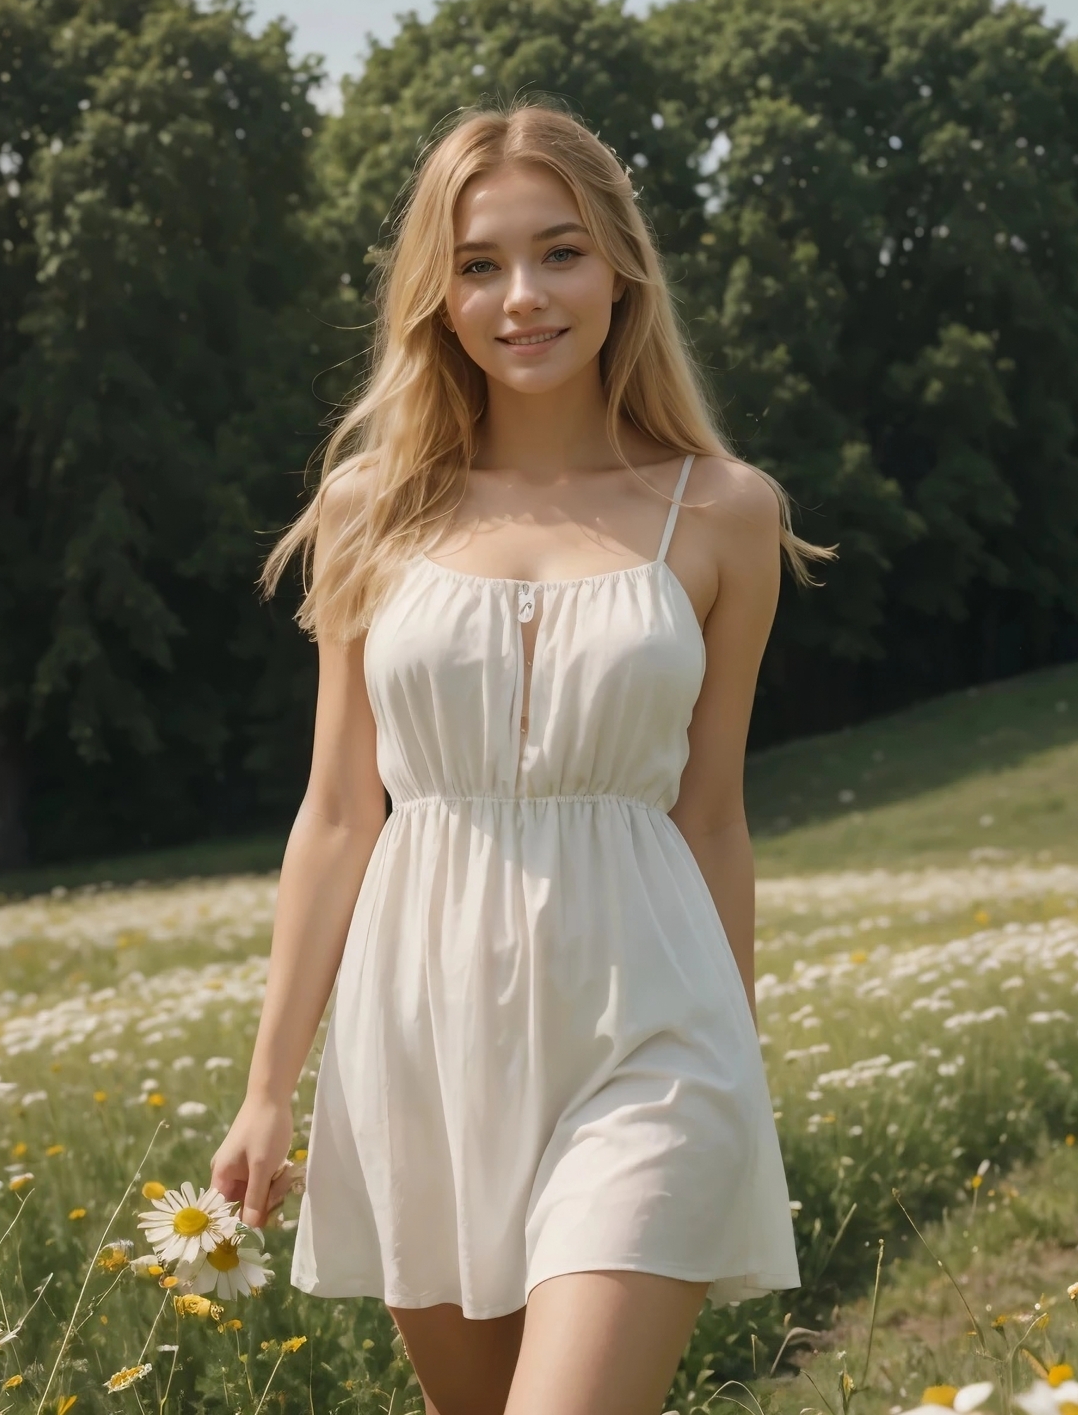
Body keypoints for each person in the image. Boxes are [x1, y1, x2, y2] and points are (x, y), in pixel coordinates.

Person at [212, 102, 827, 1415]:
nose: (523, 296)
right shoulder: (367, 509)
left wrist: (745, 1064)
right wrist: (270, 1091)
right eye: (481, 263)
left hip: (655, 1038)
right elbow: (335, 814)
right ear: (436, 294)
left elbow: (712, 817)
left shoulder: (724, 512)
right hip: (422, 1044)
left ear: (621, 270)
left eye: (560, 253)